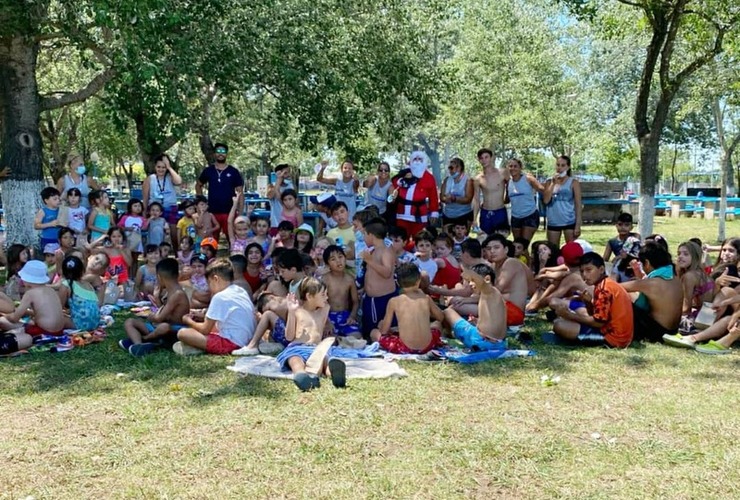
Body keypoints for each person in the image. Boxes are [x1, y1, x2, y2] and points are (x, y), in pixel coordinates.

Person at [275, 278, 347, 391]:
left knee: (324, 360)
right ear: (309, 296)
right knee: (295, 360)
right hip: (297, 347)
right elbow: (289, 337)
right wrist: (291, 313)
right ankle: (301, 375)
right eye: (323, 294)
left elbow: (324, 322)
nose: (327, 298)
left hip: (316, 348)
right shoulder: (297, 311)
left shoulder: (324, 309)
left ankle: (333, 373)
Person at [550, 252, 634, 347]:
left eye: (589, 270)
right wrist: (588, 302)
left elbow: (598, 323)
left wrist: (569, 315)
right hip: (615, 334)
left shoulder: (604, 289)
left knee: (559, 326)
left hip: (613, 339)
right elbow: (597, 315)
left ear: (601, 269)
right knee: (562, 321)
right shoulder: (604, 284)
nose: (584, 275)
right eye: (581, 271)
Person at [175, 258, 255, 355]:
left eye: (209, 283)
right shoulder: (240, 290)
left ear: (216, 279)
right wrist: (203, 316)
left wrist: (188, 321)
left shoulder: (220, 297)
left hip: (233, 343)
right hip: (247, 339)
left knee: (183, 333)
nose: (209, 287)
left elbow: (205, 329)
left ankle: (199, 347)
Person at [370, 262, 444, 354]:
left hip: (404, 348)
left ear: (398, 283)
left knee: (374, 332)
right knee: (437, 325)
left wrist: (383, 327)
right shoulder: (426, 298)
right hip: (428, 347)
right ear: (418, 281)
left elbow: (384, 331)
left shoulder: (394, 301)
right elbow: (440, 317)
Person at [123, 257, 191, 356]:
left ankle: (145, 339)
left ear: (159, 277)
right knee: (129, 322)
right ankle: (139, 345)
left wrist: (150, 316)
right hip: (159, 326)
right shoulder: (169, 291)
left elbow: (159, 318)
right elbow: (163, 311)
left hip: (173, 329)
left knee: (164, 327)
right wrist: (157, 298)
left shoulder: (177, 294)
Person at [621, 242, 683, 342]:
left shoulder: (653, 282)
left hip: (658, 333)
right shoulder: (674, 278)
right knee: (631, 294)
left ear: (647, 263)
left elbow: (615, 287)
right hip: (672, 330)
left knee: (621, 296)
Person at [443, 264, 507, 350]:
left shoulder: (490, 291)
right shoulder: (491, 296)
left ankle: (448, 335)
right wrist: (477, 322)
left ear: (487, 279)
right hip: (499, 344)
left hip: (481, 342)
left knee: (448, 311)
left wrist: (464, 267)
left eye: (473, 280)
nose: (470, 284)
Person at [0, 260, 65, 336]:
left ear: (26, 280)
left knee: (3, 321)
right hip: (60, 330)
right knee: (31, 321)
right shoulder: (51, 290)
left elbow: (15, 318)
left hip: (43, 331)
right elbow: (42, 312)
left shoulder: (30, 294)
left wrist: (7, 316)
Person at [195, 142, 244, 243]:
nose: (220, 154)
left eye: (223, 151)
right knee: (210, 241)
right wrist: (201, 204)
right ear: (214, 154)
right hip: (212, 212)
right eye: (218, 151)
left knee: (233, 240)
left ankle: (234, 257)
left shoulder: (233, 171)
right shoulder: (208, 171)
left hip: (229, 212)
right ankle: (210, 258)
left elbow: (240, 192)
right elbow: (198, 185)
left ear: (226, 154)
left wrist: (240, 212)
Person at [359, 218, 396, 338]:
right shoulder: (373, 251)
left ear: (371, 235)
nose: (363, 237)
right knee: (368, 331)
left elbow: (387, 272)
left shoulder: (386, 251)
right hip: (371, 300)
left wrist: (369, 261)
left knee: (383, 330)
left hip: (382, 300)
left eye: (364, 234)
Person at [390, 151, 440, 237]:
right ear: (411, 161)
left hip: (420, 213)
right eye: (415, 159)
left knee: (419, 237)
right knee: (402, 237)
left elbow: (433, 197)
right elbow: (394, 181)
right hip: (402, 212)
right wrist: (403, 179)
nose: (417, 161)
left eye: (420, 159)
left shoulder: (429, 177)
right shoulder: (404, 173)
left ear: (424, 161)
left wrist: (434, 212)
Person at [142, 153, 182, 247]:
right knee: (156, 231)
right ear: (155, 167)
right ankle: (155, 253)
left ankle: (176, 254)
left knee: (173, 233)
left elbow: (179, 181)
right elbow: (145, 197)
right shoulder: (150, 179)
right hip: (155, 209)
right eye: (158, 167)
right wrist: (144, 213)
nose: (161, 169)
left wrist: (169, 167)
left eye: (163, 167)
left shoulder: (170, 177)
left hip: (170, 207)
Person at [542, 155, 582, 246]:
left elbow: (578, 204)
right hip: (553, 220)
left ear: (568, 167)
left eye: (563, 165)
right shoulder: (549, 181)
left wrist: (578, 225)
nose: (559, 168)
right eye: (558, 165)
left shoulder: (573, 182)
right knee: (553, 250)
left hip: (569, 220)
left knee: (571, 250)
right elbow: (546, 201)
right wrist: (553, 183)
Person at [322, 245, 360, 339]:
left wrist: (352, 316)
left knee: (357, 337)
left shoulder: (350, 279)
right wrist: (327, 322)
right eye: (333, 259)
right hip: (328, 316)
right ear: (327, 264)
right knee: (329, 341)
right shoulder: (324, 280)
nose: (338, 261)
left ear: (345, 258)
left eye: (340, 257)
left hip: (345, 317)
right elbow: (320, 304)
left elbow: (355, 301)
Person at [57, 255, 101, 331]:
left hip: (80, 324)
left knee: (57, 319)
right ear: (82, 270)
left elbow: (58, 307)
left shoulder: (66, 284)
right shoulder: (88, 284)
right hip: (95, 323)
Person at [507, 158, 545, 242]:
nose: (513, 168)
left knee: (523, 245)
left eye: (515, 166)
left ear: (520, 168)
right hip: (515, 217)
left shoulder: (528, 178)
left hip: (530, 215)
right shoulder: (508, 183)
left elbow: (542, 189)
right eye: (510, 166)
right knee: (517, 246)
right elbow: (506, 200)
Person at [473, 148, 509, 236]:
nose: (484, 160)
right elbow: (476, 200)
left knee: (501, 240)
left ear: (491, 158)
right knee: (484, 239)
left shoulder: (503, 172)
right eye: (481, 158)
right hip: (486, 213)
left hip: (500, 211)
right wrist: (474, 219)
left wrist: (507, 198)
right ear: (479, 160)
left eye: (486, 157)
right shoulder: (478, 179)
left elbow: (511, 187)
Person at [440, 157, 474, 229]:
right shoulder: (446, 180)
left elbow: (468, 199)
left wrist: (454, 198)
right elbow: (442, 197)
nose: (451, 170)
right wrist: (445, 199)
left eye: (453, 167)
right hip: (448, 215)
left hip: (463, 215)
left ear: (460, 168)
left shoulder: (468, 180)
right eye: (450, 168)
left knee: (462, 238)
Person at [267, 163, 299, 231]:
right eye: (286, 172)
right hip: (276, 223)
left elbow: (296, 200)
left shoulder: (291, 185)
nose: (288, 174)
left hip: (291, 222)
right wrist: (279, 179)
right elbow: (270, 196)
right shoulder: (272, 186)